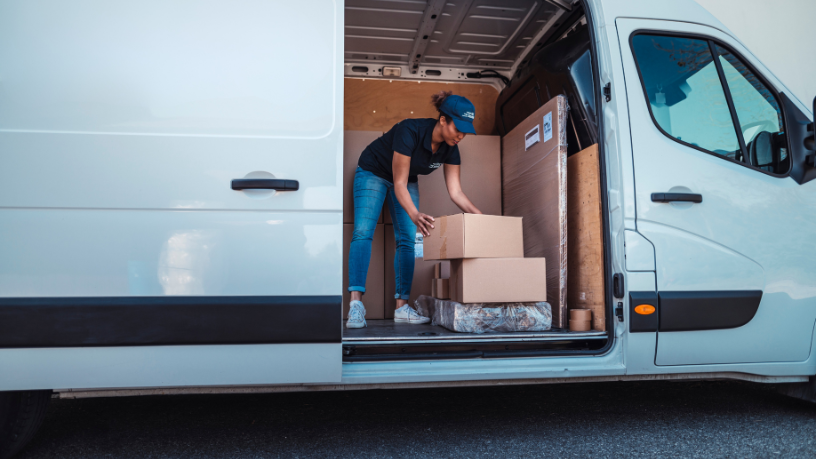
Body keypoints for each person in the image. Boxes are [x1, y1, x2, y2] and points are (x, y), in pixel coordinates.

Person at [347, 91, 483, 329]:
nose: (461, 135)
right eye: (457, 128)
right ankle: (356, 305)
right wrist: (414, 213)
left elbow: (456, 192)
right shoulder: (410, 131)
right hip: (373, 172)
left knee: (408, 239)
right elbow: (397, 183)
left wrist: (481, 219)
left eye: (465, 130)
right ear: (443, 119)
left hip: (406, 178)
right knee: (363, 231)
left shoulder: (451, 147)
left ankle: (401, 308)